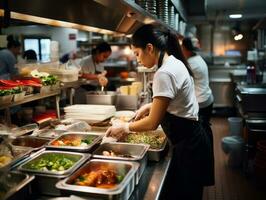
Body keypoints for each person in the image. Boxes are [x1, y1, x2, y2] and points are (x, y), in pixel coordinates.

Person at [105, 24, 214, 199]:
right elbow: (178, 101)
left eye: (137, 54)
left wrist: (124, 127)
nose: (137, 59)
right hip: (193, 139)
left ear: (149, 48)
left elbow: (151, 123)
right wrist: (150, 106)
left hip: (189, 146)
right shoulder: (175, 62)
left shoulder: (164, 73)